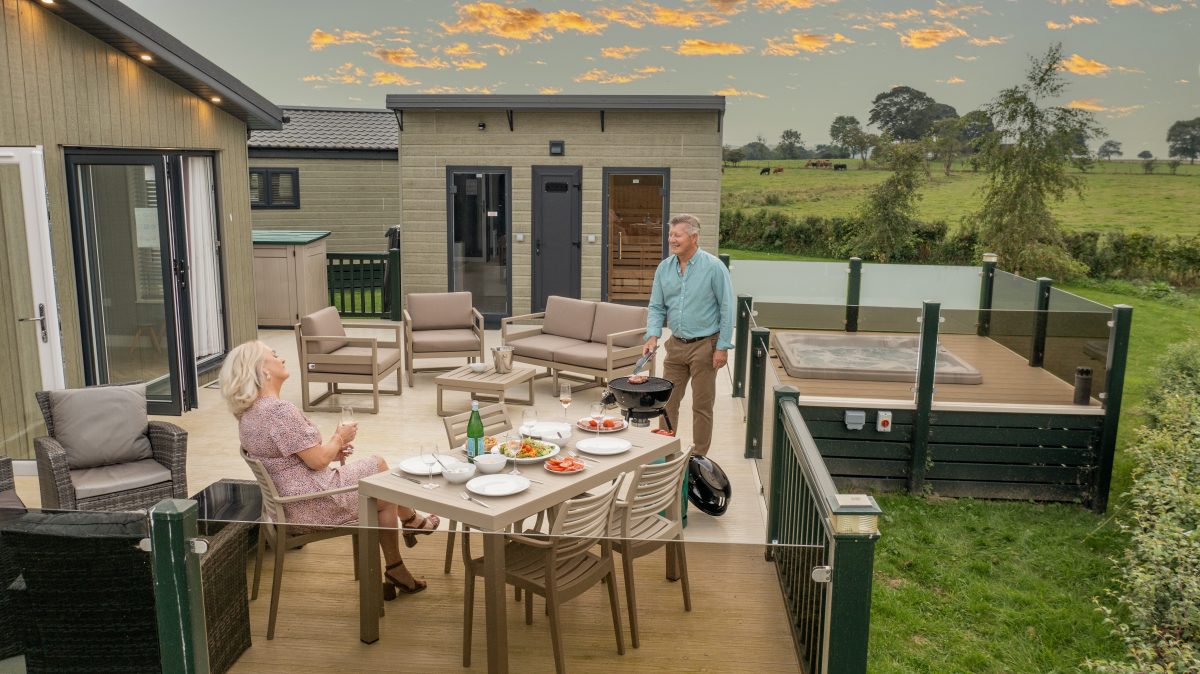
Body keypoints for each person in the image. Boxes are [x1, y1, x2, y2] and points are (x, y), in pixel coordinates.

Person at [219, 341, 439, 597]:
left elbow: (287, 459)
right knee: (381, 475)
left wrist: (333, 450)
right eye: (274, 354)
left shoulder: (250, 412)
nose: (281, 358)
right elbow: (317, 461)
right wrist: (339, 438)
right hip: (311, 504)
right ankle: (409, 528)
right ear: (263, 370)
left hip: (288, 505)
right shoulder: (278, 411)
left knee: (381, 482)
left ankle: (403, 548)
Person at [643, 214, 734, 458]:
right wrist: (652, 335)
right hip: (676, 346)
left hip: (705, 346)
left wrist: (722, 347)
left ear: (694, 237)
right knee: (667, 402)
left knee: (702, 406)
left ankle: (698, 458)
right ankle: (665, 453)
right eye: (670, 235)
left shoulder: (714, 267)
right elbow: (656, 306)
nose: (672, 239)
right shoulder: (664, 268)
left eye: (677, 235)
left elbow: (727, 308)